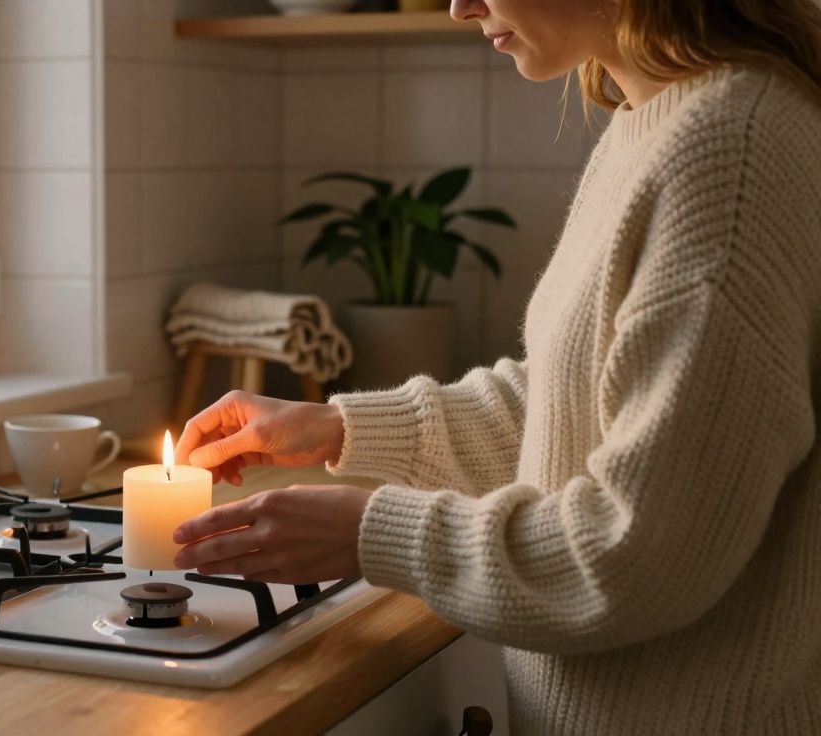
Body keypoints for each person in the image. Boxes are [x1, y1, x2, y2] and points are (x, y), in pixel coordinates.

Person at [170, 0, 821, 733]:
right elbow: (569, 403)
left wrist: (369, 531)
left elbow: (640, 556)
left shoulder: (732, 151)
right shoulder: (659, 119)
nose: (459, 6)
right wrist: (337, 428)